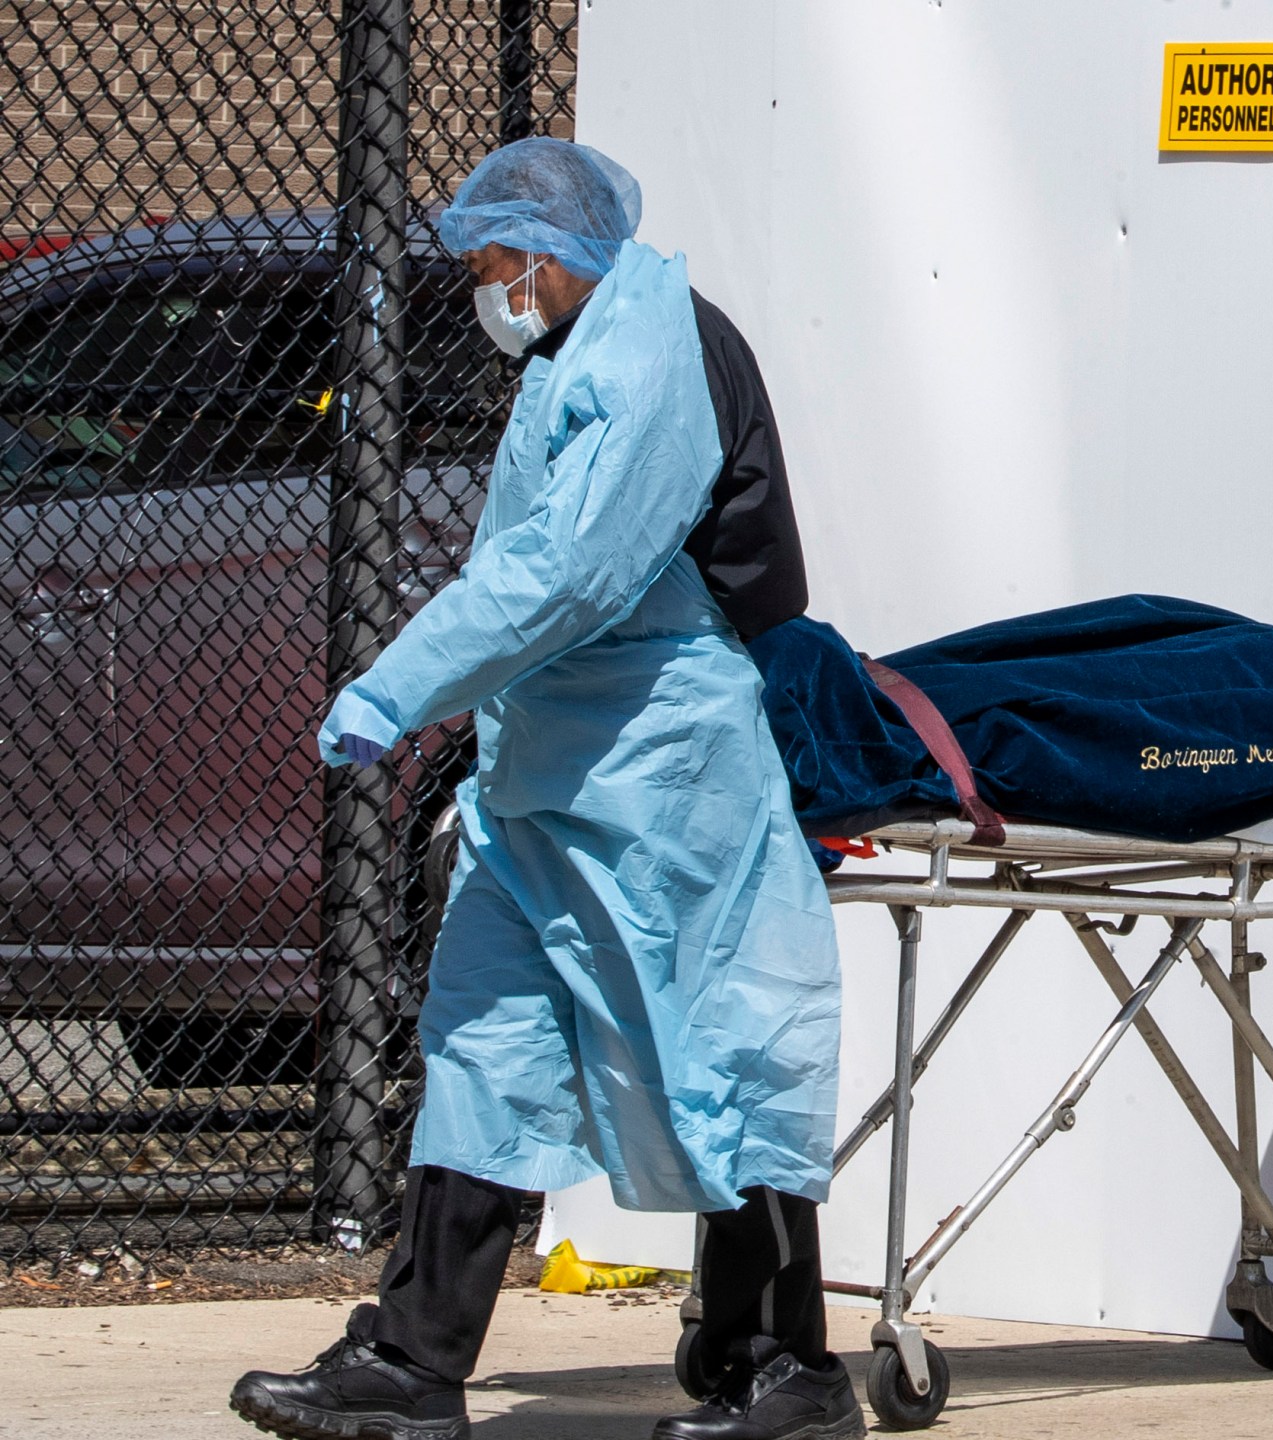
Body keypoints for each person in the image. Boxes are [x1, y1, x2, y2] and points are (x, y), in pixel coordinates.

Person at [228, 138, 859, 1440]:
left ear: (554, 250)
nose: (484, 291)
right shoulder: (574, 349)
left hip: (662, 762)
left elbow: (573, 572)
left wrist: (400, 684)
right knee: (481, 1045)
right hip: (550, 761)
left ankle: (785, 1365)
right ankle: (413, 1362)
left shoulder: (651, 350)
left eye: (492, 264)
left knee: (713, 1048)